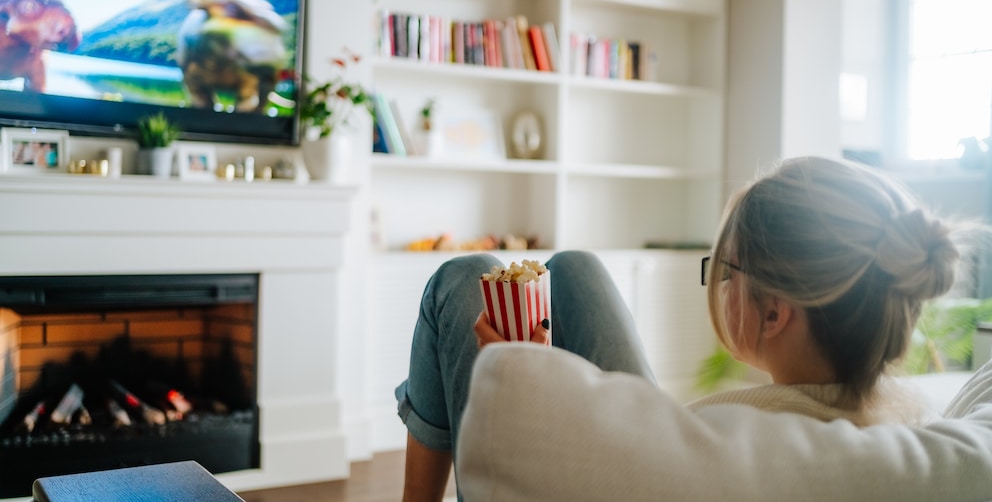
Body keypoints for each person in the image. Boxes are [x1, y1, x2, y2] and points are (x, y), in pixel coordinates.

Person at [394, 156, 976, 501]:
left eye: (727, 270)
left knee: (463, 278)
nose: (719, 284)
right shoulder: (911, 417)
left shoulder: (723, 440)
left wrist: (520, 379)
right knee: (577, 269)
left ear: (775, 314)